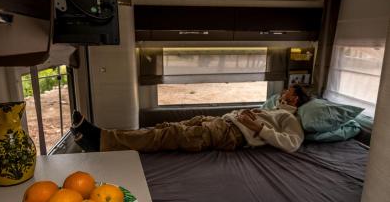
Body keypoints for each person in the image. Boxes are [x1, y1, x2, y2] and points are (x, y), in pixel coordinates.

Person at [71, 84, 311, 154]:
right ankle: (107, 138)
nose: (283, 92)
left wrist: (256, 126)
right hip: (224, 122)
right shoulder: (273, 107)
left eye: (289, 91)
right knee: (168, 126)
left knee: (171, 135)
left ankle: (102, 140)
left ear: (296, 99)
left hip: (232, 134)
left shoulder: (290, 118)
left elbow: (292, 144)